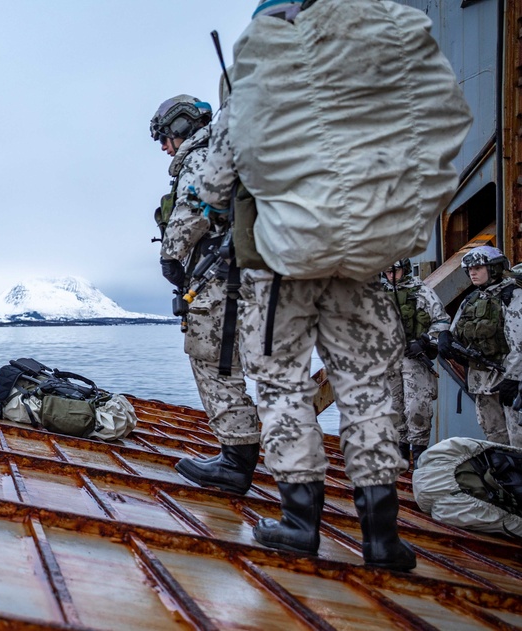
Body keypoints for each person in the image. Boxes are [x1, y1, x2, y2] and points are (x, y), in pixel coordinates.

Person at [195, 5, 415, 571]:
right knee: (367, 390)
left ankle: (299, 525)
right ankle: (382, 538)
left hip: (280, 265)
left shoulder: (252, 86)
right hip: (357, 261)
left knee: (283, 387)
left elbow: (213, 187)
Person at [149, 95, 262, 495]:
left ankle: (235, 463)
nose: (164, 147)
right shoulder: (233, 151)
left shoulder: (202, 156)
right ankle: (259, 459)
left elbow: (193, 209)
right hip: (253, 281)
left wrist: (171, 256)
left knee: (214, 364)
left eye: (165, 137)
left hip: (222, 282)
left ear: (182, 128)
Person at [438, 246, 522, 447]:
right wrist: (444, 338)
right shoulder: (472, 299)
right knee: (494, 436)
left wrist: (513, 378)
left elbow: (519, 343)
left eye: (477, 267)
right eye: (469, 269)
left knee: (518, 436)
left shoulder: (512, 296)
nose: (472, 273)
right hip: (481, 381)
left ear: (493, 268)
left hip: (510, 379)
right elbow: (456, 331)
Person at [381, 259, 450, 467]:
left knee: (417, 406)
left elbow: (442, 321)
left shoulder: (421, 292)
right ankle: (401, 452)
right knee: (393, 405)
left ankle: (419, 453)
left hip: (414, 358)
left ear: (405, 270)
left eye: (395, 271)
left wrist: (424, 341)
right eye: (387, 272)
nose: (391, 276)